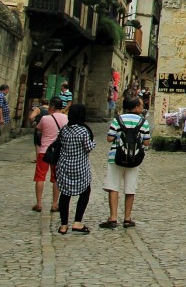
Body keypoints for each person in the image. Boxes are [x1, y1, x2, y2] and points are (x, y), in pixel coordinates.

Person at [100, 96, 151, 229]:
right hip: (134, 158)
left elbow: (110, 138)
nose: (142, 108)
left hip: (116, 156)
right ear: (135, 107)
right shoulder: (143, 122)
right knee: (130, 189)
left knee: (113, 187)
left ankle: (113, 217)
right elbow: (146, 141)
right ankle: (127, 218)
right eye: (140, 105)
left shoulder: (117, 120)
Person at [54, 104, 94, 234]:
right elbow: (88, 147)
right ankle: (77, 222)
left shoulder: (64, 129)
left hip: (64, 166)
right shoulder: (83, 131)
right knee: (85, 191)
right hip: (79, 166)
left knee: (65, 194)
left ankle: (63, 225)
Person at [33, 98, 67, 213]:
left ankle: (38, 203)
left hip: (44, 150)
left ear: (51, 106)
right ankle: (54, 204)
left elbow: (39, 129)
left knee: (40, 177)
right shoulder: (66, 119)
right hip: (58, 152)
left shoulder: (45, 118)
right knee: (56, 179)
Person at [28, 98, 49, 163]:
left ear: (41, 103)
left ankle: (38, 158)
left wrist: (33, 122)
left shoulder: (38, 109)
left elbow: (31, 117)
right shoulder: (50, 109)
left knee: (37, 143)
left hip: (39, 128)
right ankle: (47, 157)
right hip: (48, 127)